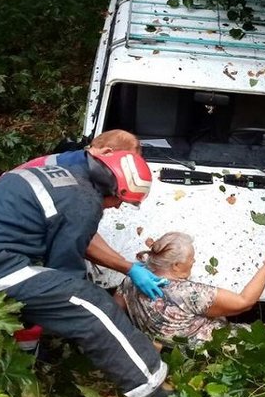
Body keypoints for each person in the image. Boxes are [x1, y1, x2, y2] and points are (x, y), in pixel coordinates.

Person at [0, 151, 170, 397]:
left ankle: (25, 367)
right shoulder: (84, 199)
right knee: (89, 302)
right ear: (110, 186)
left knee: (35, 292)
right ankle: (150, 388)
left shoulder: (59, 175)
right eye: (120, 200)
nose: (117, 206)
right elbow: (65, 270)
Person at [16, 129, 164, 300]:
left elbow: (86, 233)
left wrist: (127, 265)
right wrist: (126, 267)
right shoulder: (71, 176)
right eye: (125, 164)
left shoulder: (80, 164)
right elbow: (76, 242)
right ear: (108, 152)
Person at [114, 232, 265, 348]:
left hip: (165, 345)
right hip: (203, 347)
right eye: (191, 258)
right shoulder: (190, 293)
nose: (194, 261)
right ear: (176, 265)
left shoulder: (132, 279)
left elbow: (114, 309)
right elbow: (244, 302)